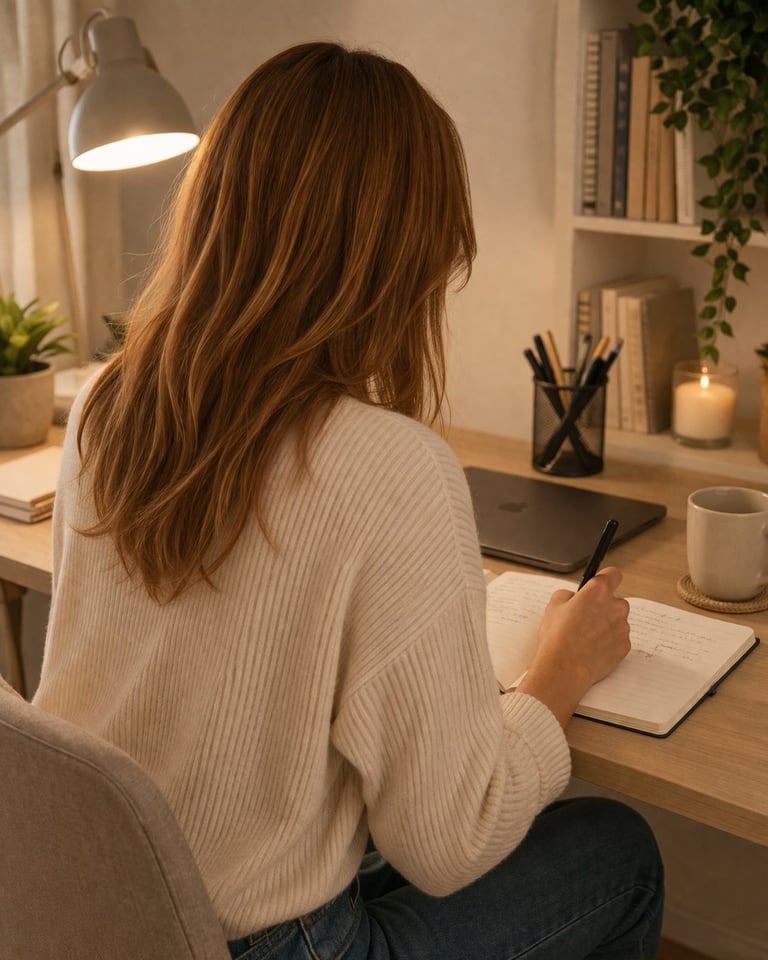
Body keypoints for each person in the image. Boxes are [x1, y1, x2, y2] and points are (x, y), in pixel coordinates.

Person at [33, 41, 663, 959]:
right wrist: (555, 676)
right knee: (621, 849)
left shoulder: (109, 399)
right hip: (265, 943)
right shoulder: (391, 468)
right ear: (397, 259)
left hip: (98, 902)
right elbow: (449, 842)